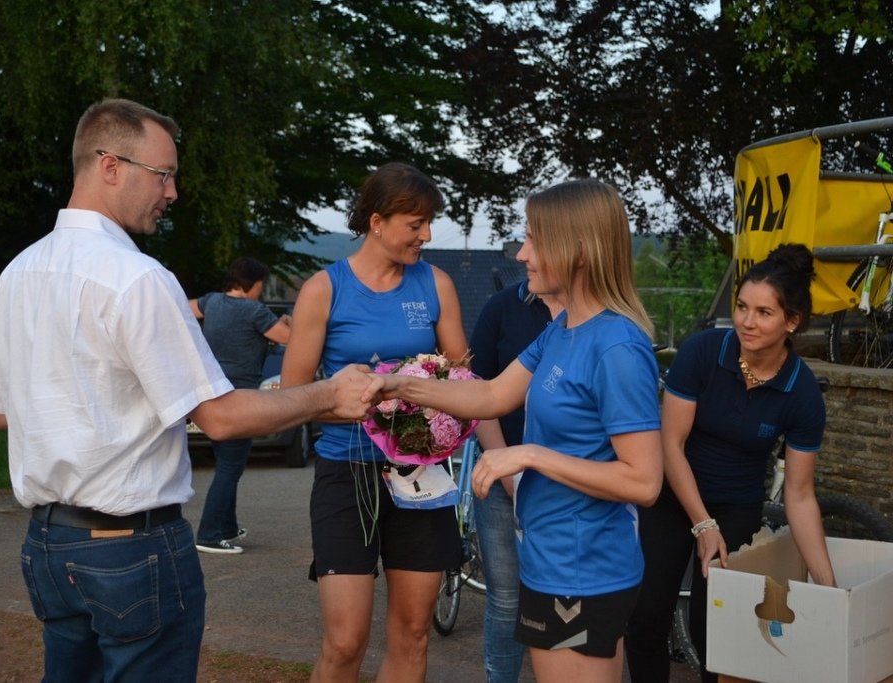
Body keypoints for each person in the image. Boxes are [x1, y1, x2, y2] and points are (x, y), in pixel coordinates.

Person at [0, 98, 380, 683]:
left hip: (48, 543)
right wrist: (329, 395)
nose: (172, 192)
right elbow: (220, 418)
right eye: (163, 174)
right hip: (130, 546)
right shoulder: (138, 277)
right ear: (110, 166)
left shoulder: (17, 273)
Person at [372, 178, 663, 682]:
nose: (522, 253)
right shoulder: (565, 328)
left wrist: (529, 455)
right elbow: (490, 395)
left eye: (533, 239)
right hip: (550, 559)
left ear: (578, 250)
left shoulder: (617, 346)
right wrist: (397, 385)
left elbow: (644, 481)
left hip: (584, 569)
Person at [281, 161, 468, 682]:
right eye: (416, 224)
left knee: (413, 633)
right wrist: (359, 402)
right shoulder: (324, 289)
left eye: (430, 223)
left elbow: (463, 380)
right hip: (346, 471)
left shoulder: (436, 284)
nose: (426, 235)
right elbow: (292, 397)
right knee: (345, 642)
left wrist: (425, 399)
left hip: (422, 475)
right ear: (377, 222)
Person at [624, 243, 836, 683]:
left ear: (792, 322)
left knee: (716, 631)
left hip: (737, 507)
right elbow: (670, 444)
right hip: (670, 498)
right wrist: (702, 525)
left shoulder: (801, 393)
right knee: (645, 618)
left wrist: (828, 587)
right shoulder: (703, 352)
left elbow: (799, 495)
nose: (746, 321)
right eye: (741, 307)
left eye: (764, 312)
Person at [470, 280, 559, 682]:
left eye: (534, 247)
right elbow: (481, 392)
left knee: (560, 597)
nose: (523, 254)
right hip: (503, 476)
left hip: (565, 487)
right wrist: (506, 468)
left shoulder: (597, 319)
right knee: (507, 599)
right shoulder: (502, 307)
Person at [189, 256, 292, 554]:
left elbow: (180, 307)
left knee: (227, 462)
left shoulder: (211, 302)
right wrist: (289, 322)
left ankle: (228, 527)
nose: (262, 289)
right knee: (230, 467)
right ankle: (208, 535)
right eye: (261, 283)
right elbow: (290, 339)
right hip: (240, 397)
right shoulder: (254, 311)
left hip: (211, 392)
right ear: (251, 283)